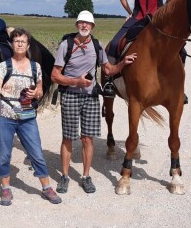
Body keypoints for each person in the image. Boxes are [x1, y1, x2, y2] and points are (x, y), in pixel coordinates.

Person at [51, 10, 137, 194]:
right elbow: (55, 75)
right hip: (70, 96)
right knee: (68, 138)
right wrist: (76, 82)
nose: (84, 26)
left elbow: (108, 69)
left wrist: (123, 63)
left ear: (92, 27)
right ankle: (65, 176)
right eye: (81, 23)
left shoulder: (97, 46)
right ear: (77, 25)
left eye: (87, 24)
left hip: (91, 98)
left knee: (87, 139)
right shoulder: (65, 45)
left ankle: (86, 176)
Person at [0, 28, 62, 206]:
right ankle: (6, 189)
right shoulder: (3, 67)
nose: (19, 44)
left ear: (28, 45)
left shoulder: (36, 67)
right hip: (4, 116)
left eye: (23, 41)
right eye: (16, 41)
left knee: (37, 153)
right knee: (4, 155)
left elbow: (40, 92)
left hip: (27, 117)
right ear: (11, 44)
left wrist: (36, 93)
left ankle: (46, 187)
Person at [107, 0, 188, 104]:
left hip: (157, 20)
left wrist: (167, 18)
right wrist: (130, 12)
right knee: (115, 44)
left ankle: (179, 87)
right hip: (137, 17)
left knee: (182, 51)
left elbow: (170, 0)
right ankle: (110, 82)